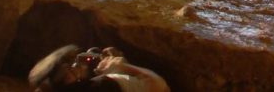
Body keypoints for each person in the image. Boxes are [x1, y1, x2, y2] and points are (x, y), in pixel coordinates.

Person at [28, 44, 170, 91]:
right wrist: (124, 67)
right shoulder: (103, 85)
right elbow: (159, 86)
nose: (78, 66)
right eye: (71, 69)